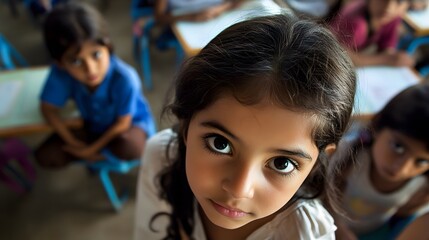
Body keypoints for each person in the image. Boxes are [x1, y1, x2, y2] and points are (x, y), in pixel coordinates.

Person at [133, 12, 357, 239]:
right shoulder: (161, 159)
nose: (239, 189)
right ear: (186, 123)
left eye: (282, 163)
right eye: (220, 143)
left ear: (317, 161)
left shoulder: (304, 234)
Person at [34, 2, 156, 168]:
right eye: (76, 61)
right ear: (60, 63)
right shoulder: (60, 74)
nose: (90, 69)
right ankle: (100, 155)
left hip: (127, 126)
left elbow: (122, 124)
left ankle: (97, 156)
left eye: (96, 54)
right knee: (46, 156)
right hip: (92, 125)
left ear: (108, 46)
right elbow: (47, 109)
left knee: (131, 147)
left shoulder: (125, 78)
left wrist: (90, 150)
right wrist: (73, 142)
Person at [331, 84, 429, 239]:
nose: (402, 168)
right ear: (377, 127)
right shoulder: (347, 154)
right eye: (398, 147)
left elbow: (403, 214)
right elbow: (321, 195)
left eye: (422, 161)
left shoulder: (420, 188)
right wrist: (339, 229)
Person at [330, 0, 415, 67]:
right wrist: (387, 60)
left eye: (399, 1)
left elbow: (387, 46)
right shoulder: (356, 24)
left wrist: (392, 56)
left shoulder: (392, 17)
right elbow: (340, 57)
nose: (389, 8)